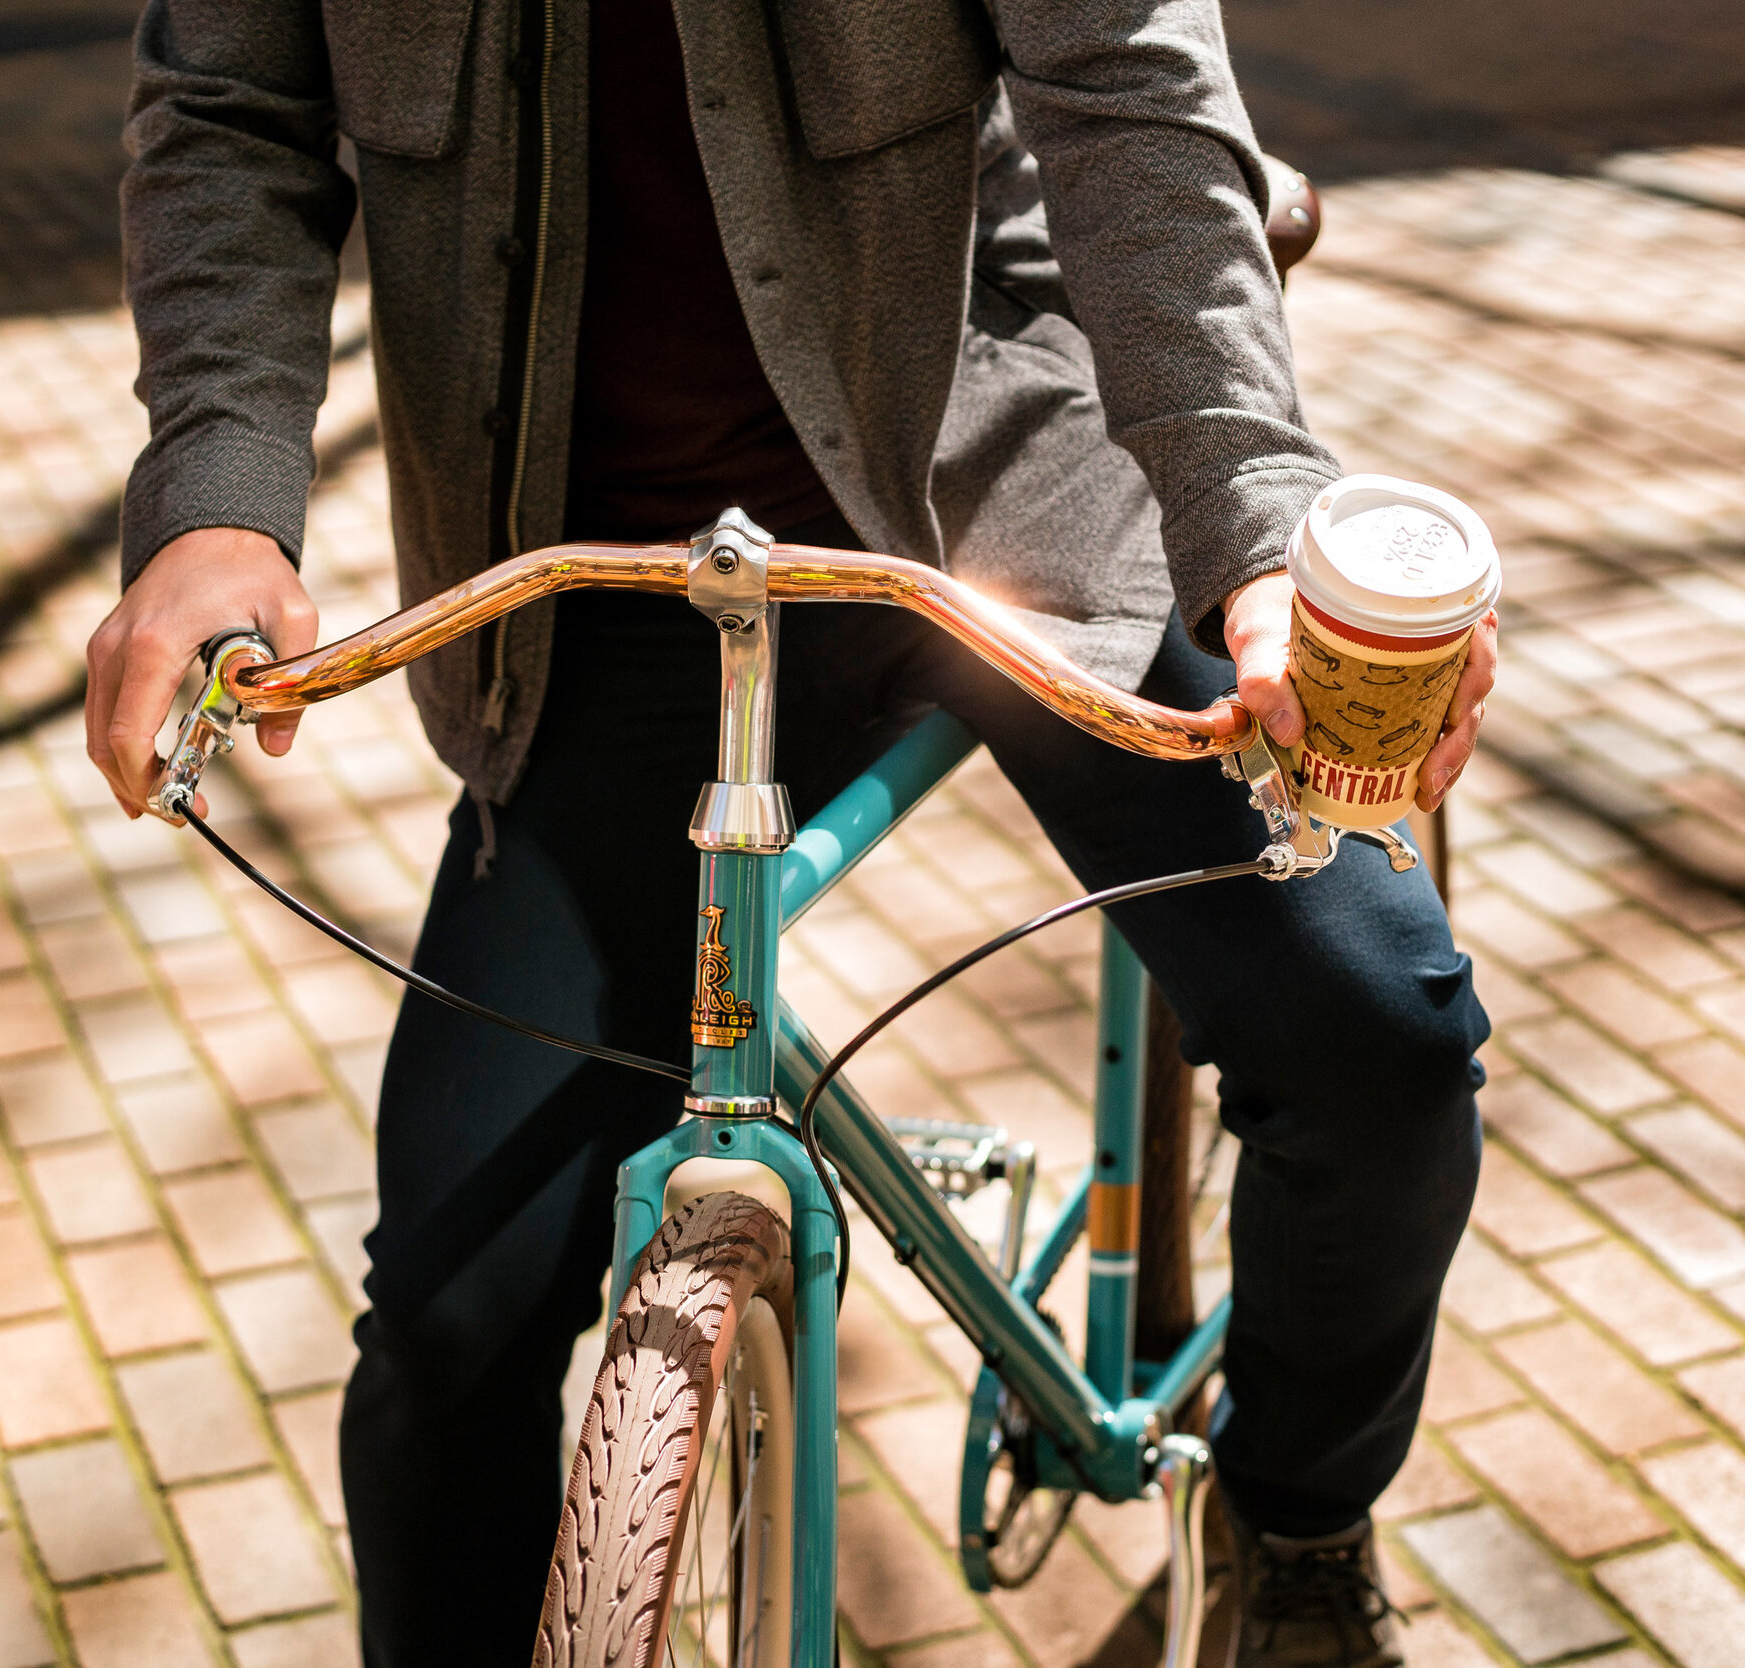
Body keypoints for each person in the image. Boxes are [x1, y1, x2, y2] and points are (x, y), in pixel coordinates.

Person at [84, 0, 1498, 1662]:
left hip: (1001, 487)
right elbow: (230, 113)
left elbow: (1126, 87)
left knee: (1372, 1030)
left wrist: (1253, 521)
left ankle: (1300, 1522)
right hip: (605, 584)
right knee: (450, 1326)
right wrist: (217, 498)